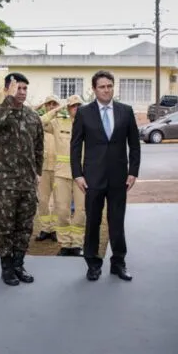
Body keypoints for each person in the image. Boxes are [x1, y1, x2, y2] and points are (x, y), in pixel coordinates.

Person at [70, 70, 140, 282]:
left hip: (119, 178)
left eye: (109, 86)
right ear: (94, 90)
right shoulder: (84, 113)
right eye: (102, 87)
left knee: (117, 221)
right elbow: (75, 146)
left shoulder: (126, 111)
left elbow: (134, 145)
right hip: (92, 178)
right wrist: (78, 175)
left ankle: (118, 263)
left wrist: (133, 172)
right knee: (92, 221)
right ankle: (92, 263)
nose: (106, 90)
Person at [0, 72, 43, 286]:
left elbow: (39, 148)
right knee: (4, 226)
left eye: (24, 89)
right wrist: (8, 102)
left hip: (27, 183)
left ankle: (19, 264)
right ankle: (7, 268)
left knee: (24, 226)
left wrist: (37, 173)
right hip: (5, 183)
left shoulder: (33, 117)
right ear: (7, 90)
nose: (21, 93)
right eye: (17, 88)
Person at [41, 94, 85, 256]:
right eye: (73, 106)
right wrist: (57, 108)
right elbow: (40, 123)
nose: (76, 109)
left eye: (79, 106)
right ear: (68, 108)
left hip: (82, 175)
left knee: (80, 211)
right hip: (61, 173)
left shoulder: (88, 125)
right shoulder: (59, 123)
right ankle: (65, 244)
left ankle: (77, 244)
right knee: (62, 210)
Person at [34, 96, 58, 242]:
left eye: (54, 104)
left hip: (58, 168)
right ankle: (45, 228)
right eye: (48, 104)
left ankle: (55, 228)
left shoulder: (63, 122)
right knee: (43, 200)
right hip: (42, 168)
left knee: (58, 201)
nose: (51, 106)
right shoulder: (39, 122)